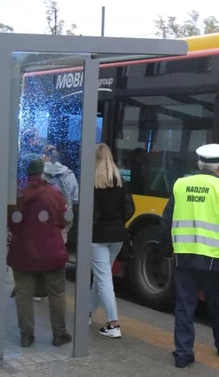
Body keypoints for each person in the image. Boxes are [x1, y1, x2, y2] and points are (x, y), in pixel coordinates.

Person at [160, 143, 219, 368]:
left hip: (184, 257)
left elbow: (166, 220)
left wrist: (166, 250)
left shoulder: (180, 185)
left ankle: (183, 354)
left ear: (199, 163)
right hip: (215, 260)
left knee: (184, 307)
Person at [7, 154, 71, 348]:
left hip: (23, 253)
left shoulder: (16, 193)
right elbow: (63, 220)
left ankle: (26, 335)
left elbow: (12, 224)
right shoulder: (53, 192)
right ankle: (59, 334)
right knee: (57, 292)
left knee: (23, 295)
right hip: (51, 251)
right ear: (42, 171)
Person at [90, 143, 135, 338]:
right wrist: (118, 223)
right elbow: (130, 209)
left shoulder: (93, 182)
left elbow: (90, 211)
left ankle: (113, 324)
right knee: (101, 277)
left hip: (98, 235)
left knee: (104, 278)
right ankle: (87, 312)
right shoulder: (120, 181)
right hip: (117, 236)